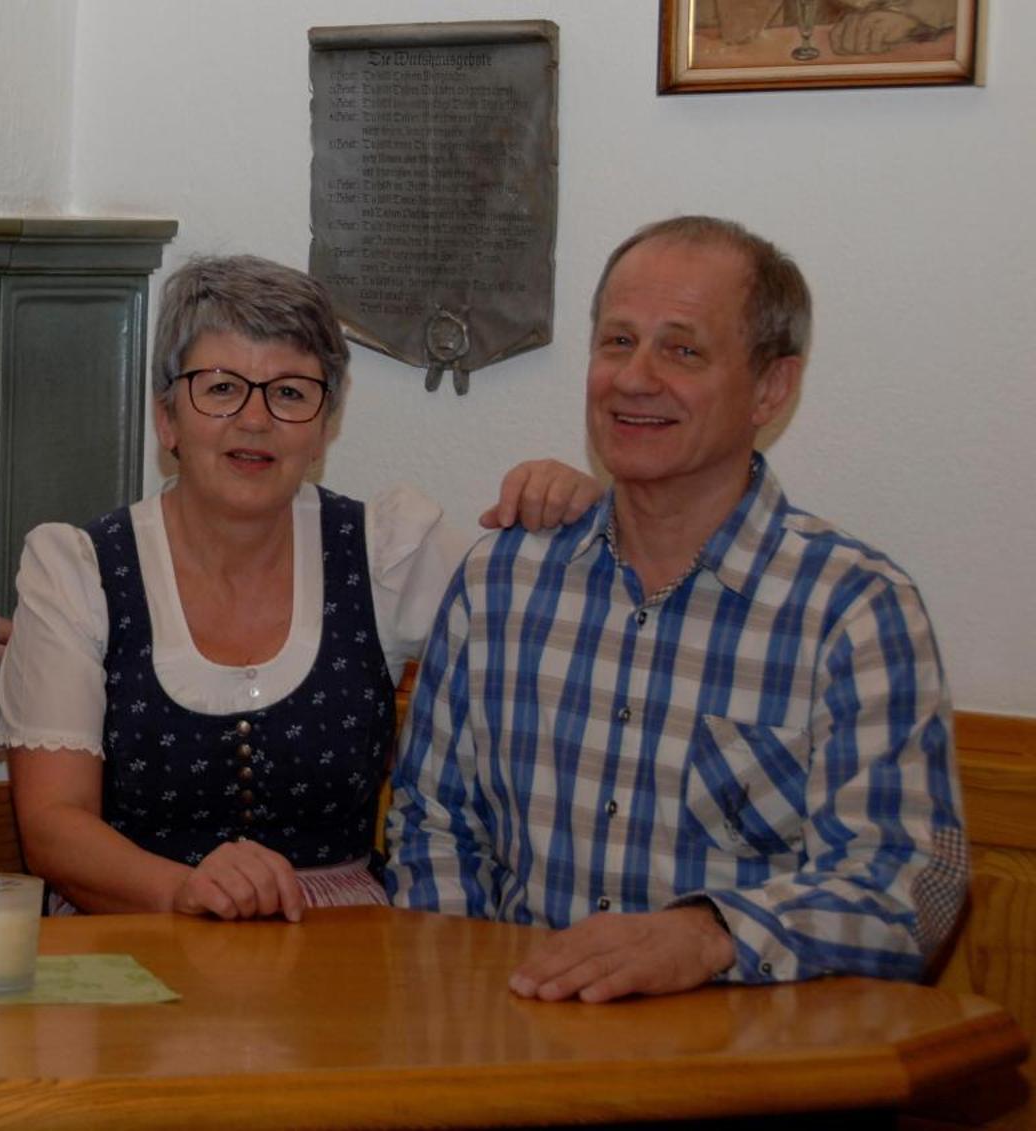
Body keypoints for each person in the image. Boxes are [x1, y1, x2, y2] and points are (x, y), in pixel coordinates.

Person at [386, 216, 966, 1002]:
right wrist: (476, 1002)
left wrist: (707, 934)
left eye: (682, 349)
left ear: (772, 387)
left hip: (745, 1077)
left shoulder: (853, 611)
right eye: (617, 341)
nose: (634, 377)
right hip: (511, 1059)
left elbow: (904, 888)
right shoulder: (501, 581)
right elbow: (435, 823)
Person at [0, 254, 600, 921]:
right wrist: (184, 891)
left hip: (337, 940)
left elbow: (558, 624)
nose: (255, 419)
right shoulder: (78, 571)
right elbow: (53, 825)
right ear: (167, 419)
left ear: (321, 429)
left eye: (289, 392)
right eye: (221, 387)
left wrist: (583, 516)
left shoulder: (384, 551)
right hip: (136, 928)